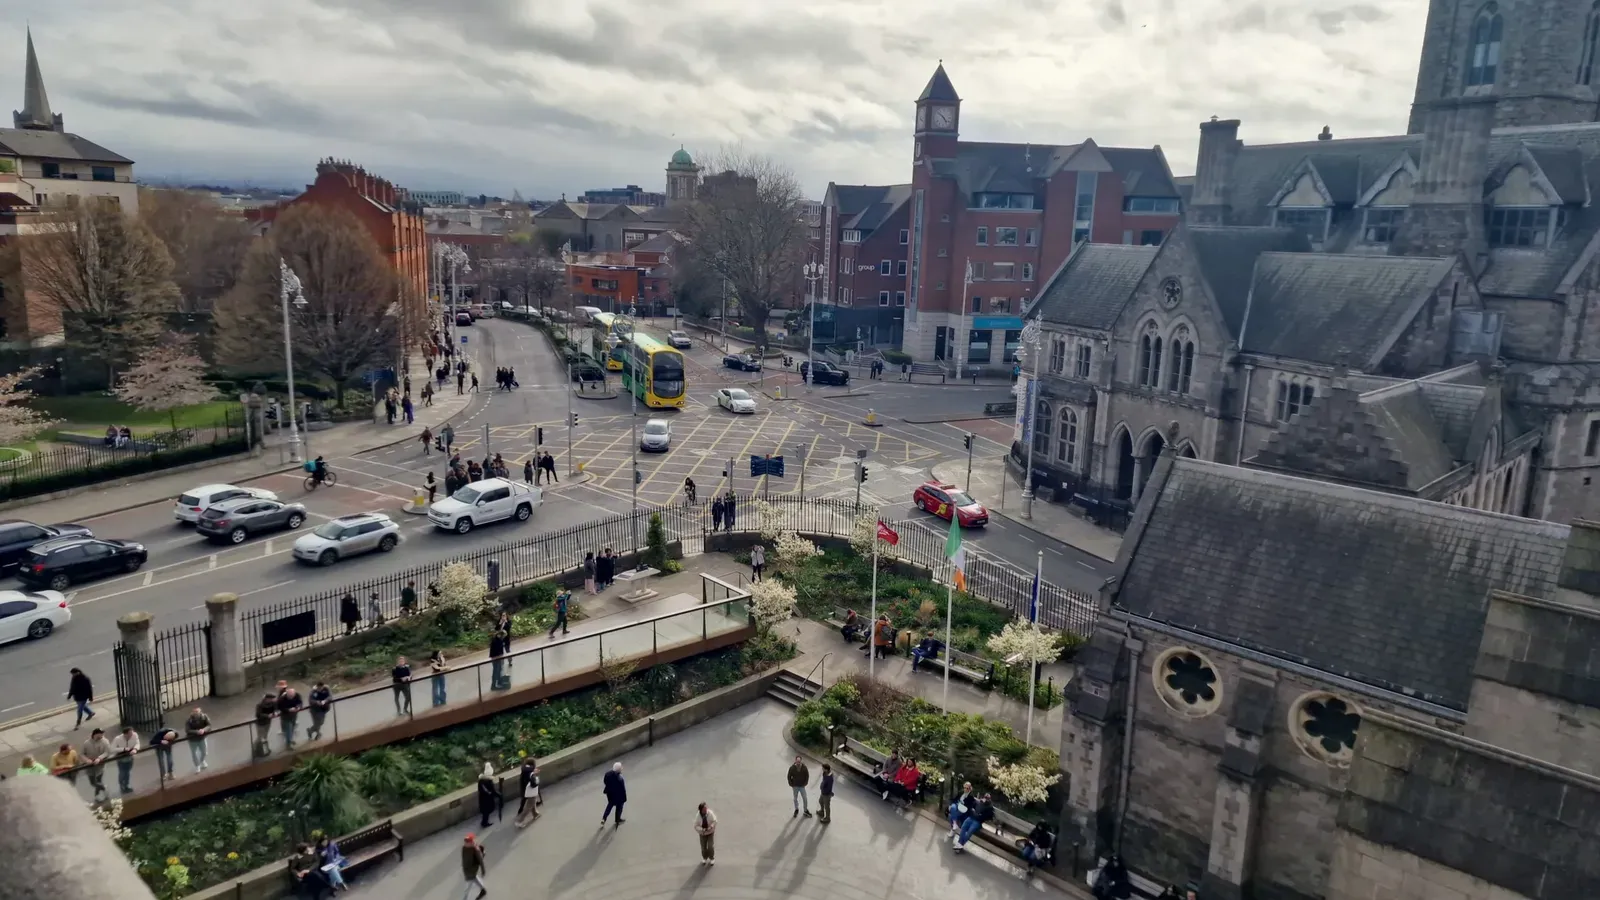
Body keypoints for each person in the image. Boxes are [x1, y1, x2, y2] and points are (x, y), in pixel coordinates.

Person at [81, 728, 112, 802]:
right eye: (99, 735)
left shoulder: (105, 741)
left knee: (99, 779)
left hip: (100, 765)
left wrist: (99, 758)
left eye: (102, 735)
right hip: (90, 766)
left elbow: (107, 752)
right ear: (94, 735)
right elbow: (82, 754)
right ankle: (104, 788)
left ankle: (97, 796)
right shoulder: (86, 743)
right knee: (93, 782)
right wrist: (86, 760)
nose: (101, 737)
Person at [111, 725, 140, 794]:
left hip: (130, 757)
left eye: (132, 733)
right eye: (130, 733)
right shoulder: (118, 739)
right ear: (125, 734)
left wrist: (135, 749)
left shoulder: (134, 735)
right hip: (121, 758)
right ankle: (122, 785)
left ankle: (126, 785)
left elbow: (137, 743)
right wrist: (123, 749)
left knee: (128, 772)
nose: (132, 735)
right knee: (122, 772)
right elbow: (112, 749)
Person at [460, 834, 488, 900]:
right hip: (467, 869)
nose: (465, 843)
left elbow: (481, 861)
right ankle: (483, 890)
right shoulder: (464, 847)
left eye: (467, 842)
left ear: (471, 842)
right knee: (475, 879)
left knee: (467, 888)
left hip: (471, 870)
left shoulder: (476, 850)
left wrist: (483, 870)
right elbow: (464, 857)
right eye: (465, 841)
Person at [515, 757, 541, 828]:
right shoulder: (530, 772)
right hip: (530, 791)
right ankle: (519, 821)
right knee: (529, 806)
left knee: (532, 802)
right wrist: (535, 773)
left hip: (525, 790)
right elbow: (534, 782)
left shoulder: (525, 770)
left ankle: (535, 814)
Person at [278, 683, 304, 749]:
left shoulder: (297, 695)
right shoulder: (282, 698)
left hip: (294, 715)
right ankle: (288, 744)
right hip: (286, 716)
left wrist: (298, 707)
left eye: (292, 696)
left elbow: (300, 702)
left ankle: (290, 740)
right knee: (289, 729)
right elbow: (280, 707)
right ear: (287, 694)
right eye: (289, 696)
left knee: (292, 728)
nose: (291, 697)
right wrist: (288, 710)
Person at [601, 761, 627, 826]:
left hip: (610, 794)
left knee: (609, 806)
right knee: (619, 807)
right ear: (619, 770)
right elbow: (622, 790)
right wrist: (624, 799)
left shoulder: (607, 774)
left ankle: (604, 818)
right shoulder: (620, 779)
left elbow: (605, 781)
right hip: (617, 795)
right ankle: (617, 819)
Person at [252, 691, 277, 757]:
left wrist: (274, 714)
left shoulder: (272, 704)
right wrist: (267, 715)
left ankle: (265, 749)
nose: (272, 700)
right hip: (260, 723)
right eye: (271, 699)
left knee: (265, 736)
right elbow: (258, 715)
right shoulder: (260, 705)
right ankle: (254, 749)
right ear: (267, 699)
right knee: (260, 737)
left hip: (268, 722)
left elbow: (274, 709)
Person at [476, 763, 498, 828]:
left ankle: (484, 822)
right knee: (486, 811)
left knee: (485, 811)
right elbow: (492, 790)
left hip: (482, 798)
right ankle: (484, 823)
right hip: (487, 798)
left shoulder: (481, 781)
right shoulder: (488, 782)